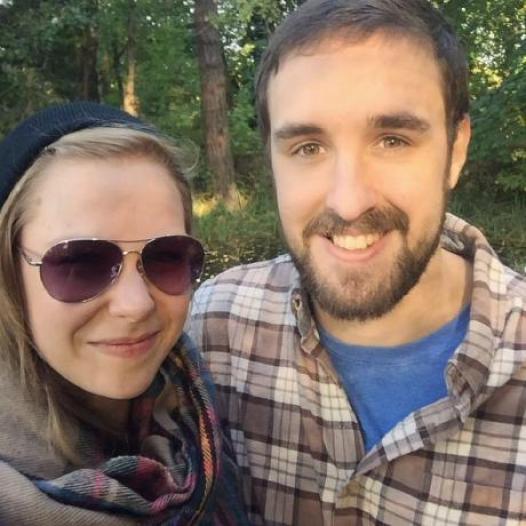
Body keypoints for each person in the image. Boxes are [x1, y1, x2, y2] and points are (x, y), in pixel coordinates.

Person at [188, 0, 526, 524]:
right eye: (308, 148)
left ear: (456, 149)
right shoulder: (215, 330)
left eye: (393, 140)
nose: (348, 203)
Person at [0, 102, 248, 525]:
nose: (136, 305)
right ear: (8, 273)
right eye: (81, 262)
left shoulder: (197, 413)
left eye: (167, 257)